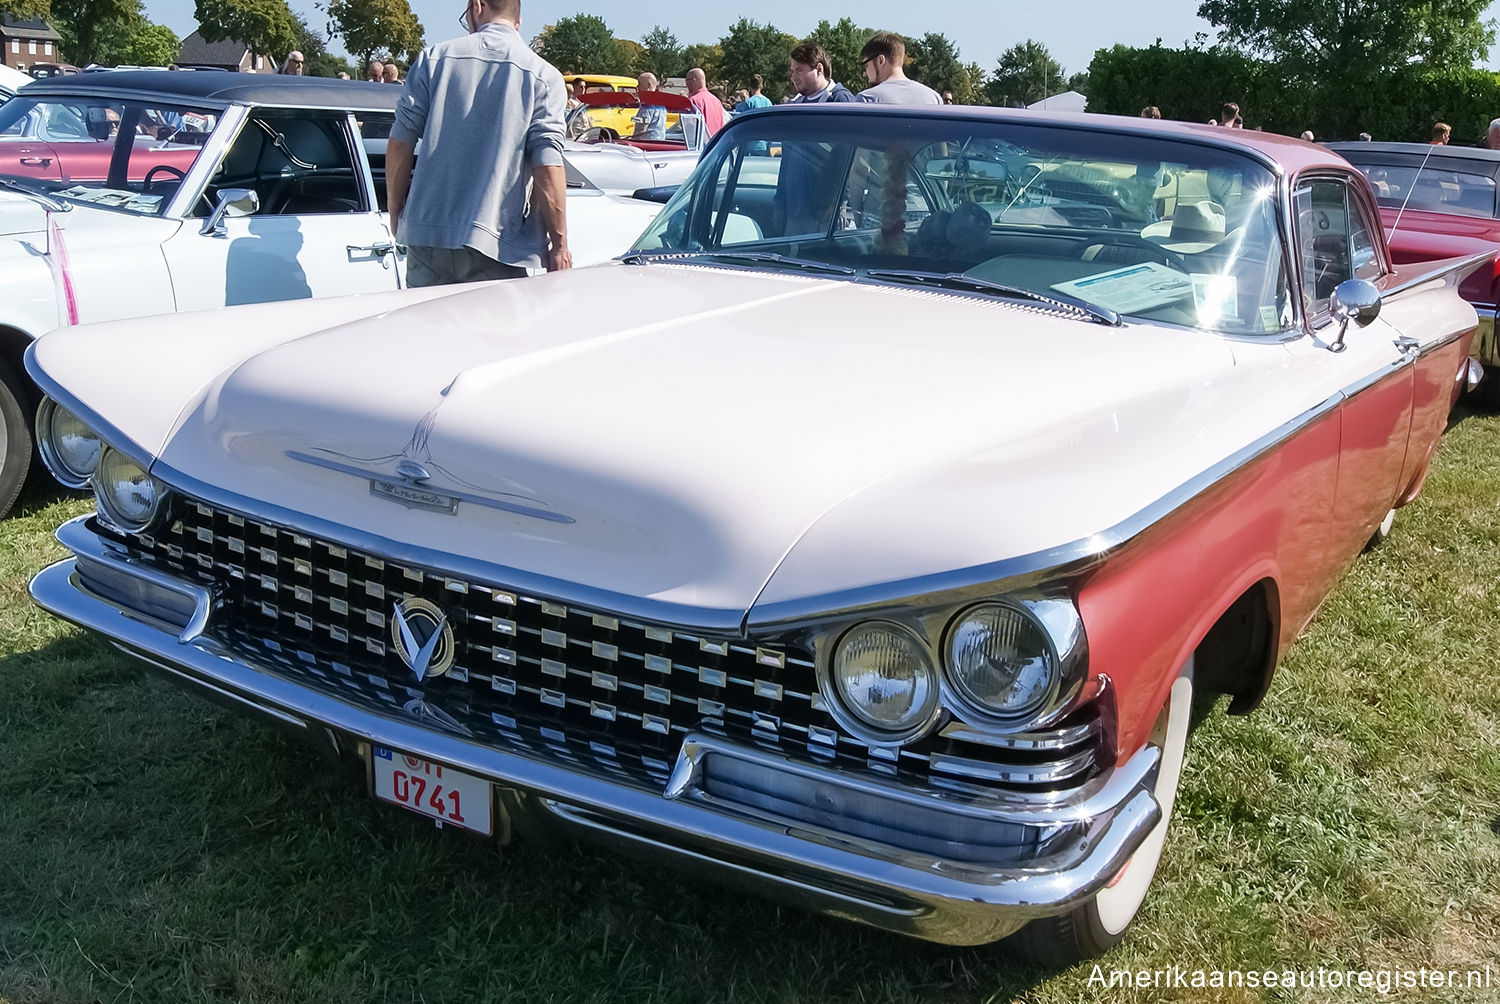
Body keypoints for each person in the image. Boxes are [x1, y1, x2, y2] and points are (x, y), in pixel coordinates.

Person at [386, 0, 570, 286]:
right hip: (495, 242)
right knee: (492, 331)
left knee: (424, 330)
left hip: (426, 235)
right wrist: (559, 244)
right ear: (517, 22)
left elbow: (400, 143)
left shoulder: (432, 60)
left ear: (477, 6)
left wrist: (396, 209)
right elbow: (547, 164)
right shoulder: (543, 76)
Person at [857, 33, 941, 104]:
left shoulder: (867, 99)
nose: (865, 73)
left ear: (880, 60)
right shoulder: (934, 99)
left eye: (866, 65)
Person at [787, 42, 856, 103]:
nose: (794, 77)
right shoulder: (797, 104)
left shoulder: (842, 101)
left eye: (799, 71)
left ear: (819, 69)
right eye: (792, 72)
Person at [685, 67, 725, 136]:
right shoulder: (717, 101)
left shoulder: (693, 101)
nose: (686, 84)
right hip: (716, 144)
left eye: (687, 80)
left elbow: (690, 128)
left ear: (693, 80)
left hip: (701, 145)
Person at [632, 71, 665, 140]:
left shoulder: (647, 106)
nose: (637, 87)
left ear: (648, 85)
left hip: (646, 144)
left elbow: (641, 130)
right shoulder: (661, 105)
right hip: (660, 143)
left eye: (639, 84)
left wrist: (633, 140)